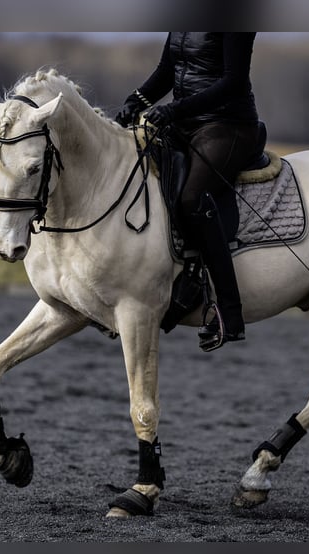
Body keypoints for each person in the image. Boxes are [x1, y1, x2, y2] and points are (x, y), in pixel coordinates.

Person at [115, 32, 262, 351]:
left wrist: (174, 110)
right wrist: (136, 100)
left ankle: (229, 313)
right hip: (184, 123)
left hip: (227, 125)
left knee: (192, 199)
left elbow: (233, 82)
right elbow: (167, 69)